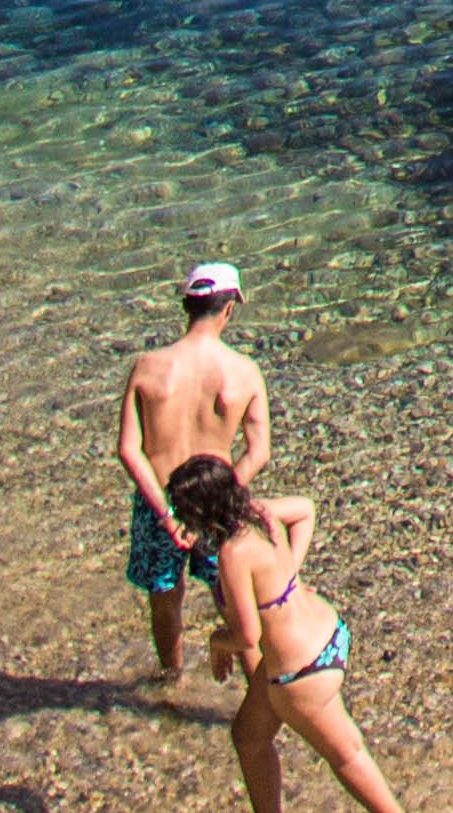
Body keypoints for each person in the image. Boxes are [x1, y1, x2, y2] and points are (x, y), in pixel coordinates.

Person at [165, 450, 409, 813]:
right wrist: (287, 577)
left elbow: (246, 637)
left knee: (347, 756)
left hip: (302, 673)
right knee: (249, 736)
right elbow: (306, 510)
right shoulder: (258, 515)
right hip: (327, 633)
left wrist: (217, 643)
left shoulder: (233, 553)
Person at [112, 261, 271, 689]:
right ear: (229, 309)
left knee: (165, 597)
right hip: (217, 503)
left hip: (159, 502)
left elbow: (129, 450)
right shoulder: (244, 372)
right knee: (234, 602)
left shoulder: (148, 366)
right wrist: (220, 494)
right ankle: (260, 694)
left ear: (188, 306)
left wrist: (167, 514)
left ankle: (171, 682)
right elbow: (258, 451)